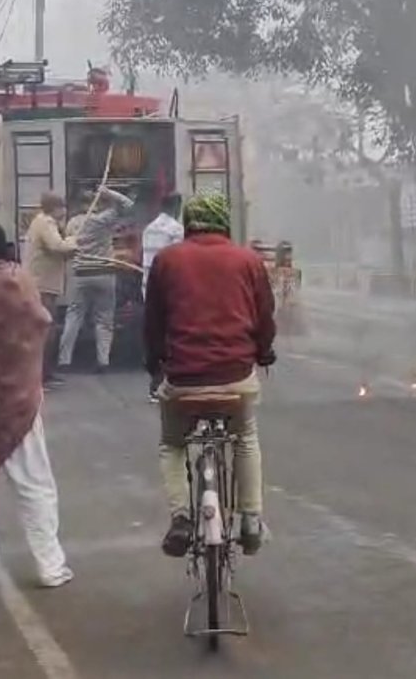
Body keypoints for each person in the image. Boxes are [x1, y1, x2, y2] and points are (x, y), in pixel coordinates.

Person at [144, 192, 276, 558]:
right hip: (236, 376)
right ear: (224, 221)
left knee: (172, 444)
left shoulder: (167, 261)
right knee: (245, 436)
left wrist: (155, 366)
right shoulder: (248, 260)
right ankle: (251, 518)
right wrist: (264, 352)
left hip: (183, 379)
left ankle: (182, 517)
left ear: (188, 223)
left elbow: (153, 322)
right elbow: (265, 316)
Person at [0, 212, 73, 591]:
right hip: (18, 402)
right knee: (35, 485)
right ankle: (50, 566)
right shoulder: (17, 282)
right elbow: (40, 324)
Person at [58, 185, 134, 373]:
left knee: (73, 316)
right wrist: (108, 192)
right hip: (103, 274)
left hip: (80, 275)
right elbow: (128, 205)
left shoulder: (73, 224)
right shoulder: (102, 220)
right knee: (104, 319)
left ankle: (64, 360)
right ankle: (103, 361)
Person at [24, 192, 78, 388]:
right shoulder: (46, 223)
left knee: (48, 329)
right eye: (61, 207)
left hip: (44, 283)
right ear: (53, 208)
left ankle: (45, 372)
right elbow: (57, 246)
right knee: (46, 330)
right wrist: (73, 241)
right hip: (42, 285)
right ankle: (42, 374)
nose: (64, 210)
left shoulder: (45, 223)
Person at [142, 194, 184, 401]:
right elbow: (179, 261)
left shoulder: (149, 228)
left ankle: (154, 385)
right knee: (172, 337)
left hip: (148, 289)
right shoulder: (176, 229)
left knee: (155, 337)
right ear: (177, 207)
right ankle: (168, 384)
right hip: (169, 289)